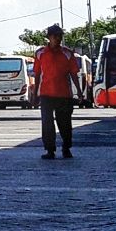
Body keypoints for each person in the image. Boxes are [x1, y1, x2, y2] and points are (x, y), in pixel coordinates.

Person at [32, 24, 84, 160]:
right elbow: (37, 74)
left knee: (65, 123)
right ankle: (50, 150)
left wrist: (79, 92)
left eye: (60, 36)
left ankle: (66, 148)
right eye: (55, 36)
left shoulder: (67, 53)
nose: (58, 39)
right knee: (47, 124)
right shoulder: (40, 53)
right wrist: (34, 94)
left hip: (64, 95)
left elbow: (74, 74)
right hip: (46, 94)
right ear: (49, 37)